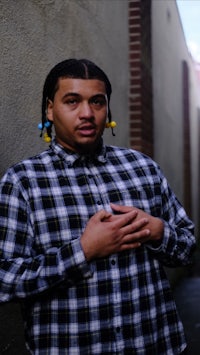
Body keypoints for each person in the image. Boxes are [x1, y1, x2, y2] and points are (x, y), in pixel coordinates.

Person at [0, 58, 195, 355]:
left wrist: (156, 230)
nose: (87, 113)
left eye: (97, 102)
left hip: (156, 342)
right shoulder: (23, 182)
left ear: (108, 109)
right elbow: (6, 279)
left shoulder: (142, 168)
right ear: (50, 109)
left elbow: (187, 246)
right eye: (72, 101)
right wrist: (83, 251)